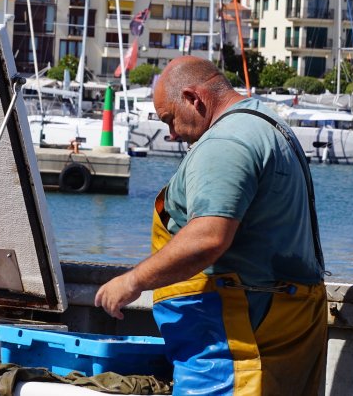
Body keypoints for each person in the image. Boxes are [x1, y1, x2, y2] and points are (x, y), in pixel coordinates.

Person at [95, 56, 327, 395]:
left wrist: (133, 281)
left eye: (170, 119)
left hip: (235, 347)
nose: (172, 134)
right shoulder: (269, 126)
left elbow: (208, 237)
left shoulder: (223, 144)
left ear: (194, 99)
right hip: (281, 327)